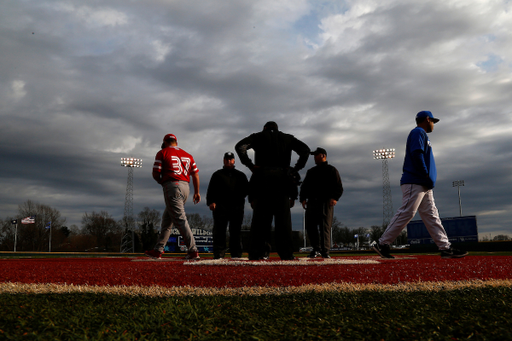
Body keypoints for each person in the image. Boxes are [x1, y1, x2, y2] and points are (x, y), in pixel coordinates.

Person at [372, 111, 468, 259]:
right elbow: (417, 154)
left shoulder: (421, 134)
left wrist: (426, 178)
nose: (433, 125)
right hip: (415, 180)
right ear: (427, 119)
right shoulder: (418, 132)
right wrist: (425, 174)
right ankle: (382, 243)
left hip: (422, 182)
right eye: (432, 121)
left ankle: (445, 247)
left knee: (431, 215)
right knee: (407, 212)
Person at [235, 121, 310, 260]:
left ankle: (257, 252)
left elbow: (240, 146)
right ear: (277, 128)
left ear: (264, 128)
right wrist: (295, 168)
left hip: (262, 180)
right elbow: (305, 150)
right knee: (283, 221)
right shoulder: (287, 138)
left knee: (260, 221)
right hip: (282, 181)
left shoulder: (258, 137)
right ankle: (286, 253)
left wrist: (251, 165)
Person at [145, 134, 201, 260]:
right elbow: (195, 174)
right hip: (186, 186)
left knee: (180, 219)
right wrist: (197, 192)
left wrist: (163, 182)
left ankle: (193, 250)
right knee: (167, 220)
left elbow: (156, 173)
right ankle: (158, 249)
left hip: (172, 185)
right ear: (176, 142)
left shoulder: (162, 152)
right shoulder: (188, 154)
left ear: (165, 142)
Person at [300, 147, 343, 259]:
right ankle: (316, 249)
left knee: (325, 227)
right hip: (312, 202)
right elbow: (304, 187)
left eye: (317, 155)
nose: (314, 157)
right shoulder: (311, 171)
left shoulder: (332, 170)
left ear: (323, 155)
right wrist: (303, 199)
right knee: (311, 227)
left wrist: (335, 198)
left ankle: (325, 251)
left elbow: (339, 187)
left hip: (326, 202)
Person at [206, 152, 249, 259]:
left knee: (236, 231)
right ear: (223, 160)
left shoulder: (241, 175)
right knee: (219, 231)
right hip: (221, 207)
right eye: (226, 159)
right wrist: (211, 202)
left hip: (237, 207)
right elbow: (211, 190)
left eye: (230, 159)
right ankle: (219, 253)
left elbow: (247, 190)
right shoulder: (217, 175)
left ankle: (236, 253)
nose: (228, 161)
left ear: (234, 161)